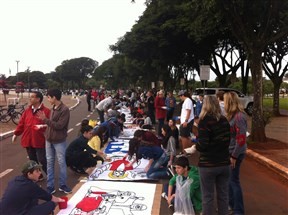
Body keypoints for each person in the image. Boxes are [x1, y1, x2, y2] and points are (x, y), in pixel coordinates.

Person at [195, 95, 231, 215]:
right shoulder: (224, 120)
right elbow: (228, 140)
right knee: (223, 196)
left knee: (208, 197)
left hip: (208, 164)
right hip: (224, 162)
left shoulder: (204, 121)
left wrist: (196, 144)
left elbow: (203, 145)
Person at [37, 88, 72, 194]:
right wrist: (45, 125)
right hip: (49, 139)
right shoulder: (53, 108)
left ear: (54, 97)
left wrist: (45, 120)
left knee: (61, 163)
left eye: (48, 97)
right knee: (50, 163)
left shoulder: (64, 109)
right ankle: (50, 186)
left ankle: (63, 185)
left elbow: (59, 126)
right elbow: (51, 124)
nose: (47, 99)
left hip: (59, 140)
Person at [12, 91, 50, 181]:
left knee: (42, 159)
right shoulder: (27, 111)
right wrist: (16, 133)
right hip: (28, 139)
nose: (30, 98)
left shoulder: (46, 111)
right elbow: (21, 124)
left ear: (38, 99)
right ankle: (38, 176)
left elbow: (49, 125)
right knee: (33, 161)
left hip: (40, 140)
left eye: (32, 97)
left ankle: (49, 174)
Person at [224, 91, 248, 215]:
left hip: (236, 153)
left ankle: (238, 210)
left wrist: (234, 155)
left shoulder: (239, 117)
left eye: (225, 101)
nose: (223, 103)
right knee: (230, 180)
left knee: (234, 181)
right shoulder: (233, 116)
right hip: (232, 151)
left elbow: (241, 139)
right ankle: (232, 205)